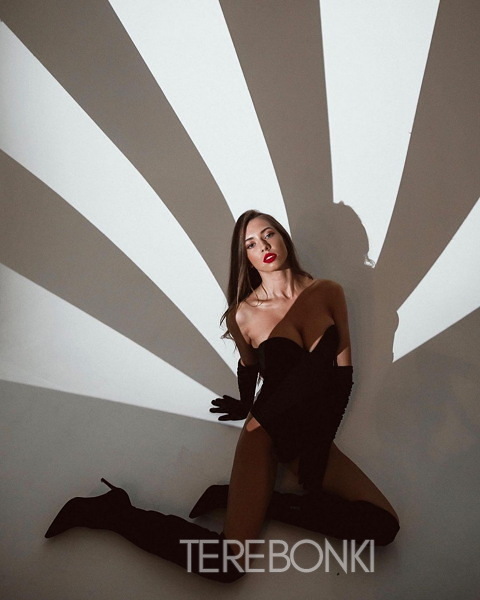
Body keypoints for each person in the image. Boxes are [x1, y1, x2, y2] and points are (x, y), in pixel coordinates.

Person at [45, 210, 399, 583]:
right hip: (265, 433)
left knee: (383, 525)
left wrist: (320, 444)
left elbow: (343, 377)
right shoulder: (243, 314)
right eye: (251, 244)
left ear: (283, 238)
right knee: (227, 566)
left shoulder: (328, 291)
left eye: (269, 234)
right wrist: (245, 404)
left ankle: (255, 502)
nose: (264, 246)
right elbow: (249, 367)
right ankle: (113, 512)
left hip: (312, 434)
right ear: (245, 257)